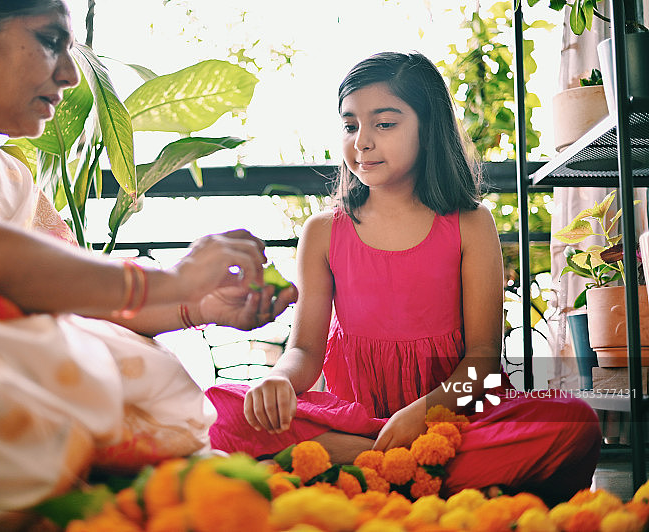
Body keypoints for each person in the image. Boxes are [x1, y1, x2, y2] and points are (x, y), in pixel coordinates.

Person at [0, 1, 297, 530]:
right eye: (49, 40)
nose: (69, 73)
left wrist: (196, 304)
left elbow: (78, 294)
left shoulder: (3, 174)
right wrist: (173, 279)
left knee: (135, 361)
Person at [206, 51, 601, 504]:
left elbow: (485, 358)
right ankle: (405, 468)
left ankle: (355, 466)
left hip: (454, 419)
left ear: (427, 130)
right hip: (355, 421)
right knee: (221, 412)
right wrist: (277, 380)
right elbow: (304, 350)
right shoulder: (322, 232)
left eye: (384, 124)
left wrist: (424, 413)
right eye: (350, 125)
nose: (363, 142)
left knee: (573, 422)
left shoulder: (471, 224)